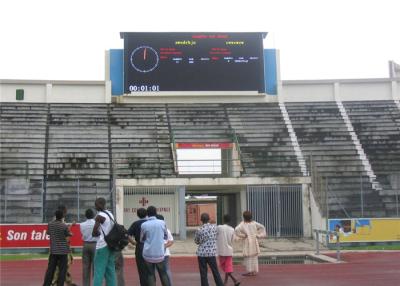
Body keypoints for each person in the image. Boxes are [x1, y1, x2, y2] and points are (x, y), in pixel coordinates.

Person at [140, 206, 170, 286]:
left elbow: (142, 239)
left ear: (147, 214)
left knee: (150, 274)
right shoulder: (162, 223)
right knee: (163, 274)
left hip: (148, 253)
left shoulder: (144, 225)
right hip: (159, 253)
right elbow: (166, 237)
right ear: (156, 212)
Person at [43, 209, 72, 286]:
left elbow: (48, 233)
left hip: (53, 251)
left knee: (50, 269)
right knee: (62, 270)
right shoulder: (64, 226)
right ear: (62, 216)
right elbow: (68, 234)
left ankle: (46, 284)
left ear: (55, 216)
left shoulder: (50, 224)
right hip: (63, 251)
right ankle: (60, 284)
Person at [92, 197, 117, 286]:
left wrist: (97, 233)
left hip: (102, 246)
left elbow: (94, 232)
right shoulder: (110, 214)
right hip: (111, 245)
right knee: (110, 271)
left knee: (98, 271)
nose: (95, 207)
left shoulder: (100, 216)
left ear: (100, 204)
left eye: (96, 205)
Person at [194, 212, 224, 286]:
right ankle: (220, 284)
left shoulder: (199, 229)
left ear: (201, 220)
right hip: (211, 253)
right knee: (215, 271)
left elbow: (196, 241)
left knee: (203, 272)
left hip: (201, 253)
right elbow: (217, 236)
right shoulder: (215, 228)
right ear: (209, 219)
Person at [234, 211, 266, 276]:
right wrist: (258, 235)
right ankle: (254, 271)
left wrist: (243, 235)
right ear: (251, 217)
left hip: (247, 242)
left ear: (244, 217)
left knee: (248, 257)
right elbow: (262, 227)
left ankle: (249, 271)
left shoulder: (242, 224)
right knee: (254, 257)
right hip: (254, 242)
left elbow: (236, 230)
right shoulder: (254, 223)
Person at [51, 205, 77, 286]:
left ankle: (68, 281)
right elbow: (64, 232)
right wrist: (71, 227)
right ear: (63, 211)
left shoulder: (55, 220)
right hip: (62, 247)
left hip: (56, 246)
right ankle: (54, 282)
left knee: (62, 265)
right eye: (65, 211)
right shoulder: (60, 221)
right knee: (62, 266)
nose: (66, 213)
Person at [217, 214, 240, 286]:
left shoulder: (219, 227)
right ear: (230, 221)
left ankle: (228, 281)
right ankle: (233, 280)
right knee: (228, 267)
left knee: (223, 266)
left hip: (221, 250)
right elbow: (233, 240)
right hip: (229, 250)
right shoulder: (232, 229)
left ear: (223, 220)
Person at [127, 208, 148, 286]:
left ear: (137, 215)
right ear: (146, 214)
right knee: (150, 268)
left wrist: (133, 242)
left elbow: (127, 235)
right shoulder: (150, 222)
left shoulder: (135, 223)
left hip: (140, 246)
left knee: (141, 268)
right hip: (150, 246)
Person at [80, 208, 97, 286]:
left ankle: (86, 284)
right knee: (95, 267)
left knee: (85, 266)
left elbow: (82, 234)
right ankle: (95, 284)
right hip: (95, 245)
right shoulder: (96, 223)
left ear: (85, 216)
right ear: (93, 215)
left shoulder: (82, 224)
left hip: (86, 244)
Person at [156, 214, 174, 284]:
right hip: (165, 254)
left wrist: (163, 246)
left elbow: (171, 241)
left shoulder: (153, 230)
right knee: (166, 270)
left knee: (153, 271)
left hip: (156, 254)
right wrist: (164, 246)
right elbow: (171, 241)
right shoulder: (167, 230)